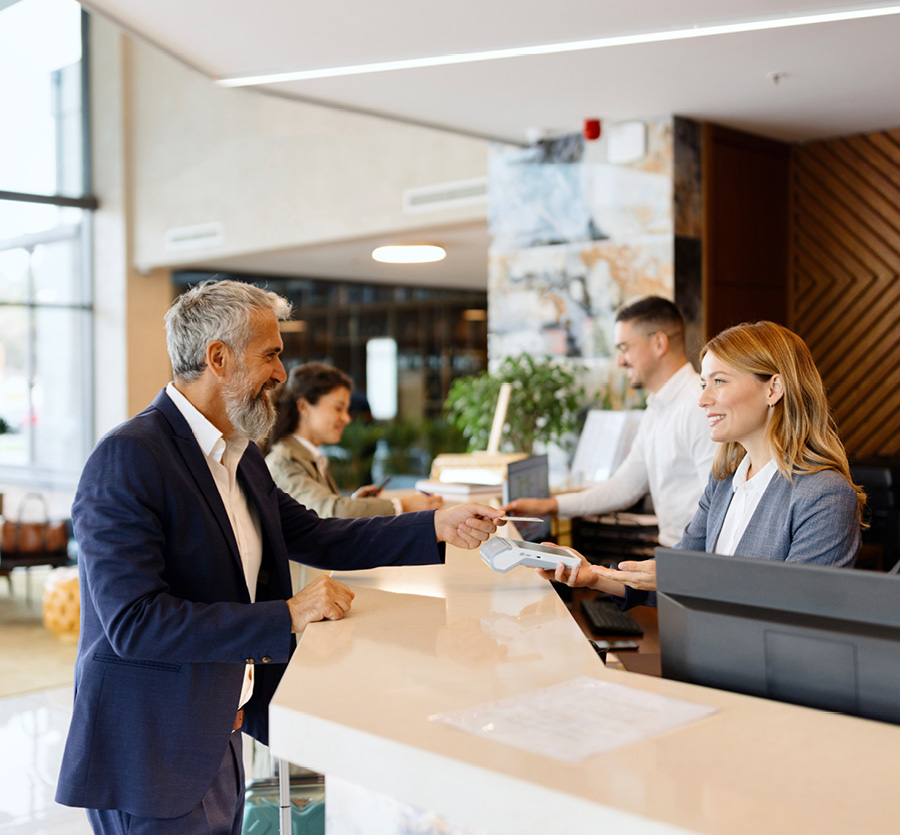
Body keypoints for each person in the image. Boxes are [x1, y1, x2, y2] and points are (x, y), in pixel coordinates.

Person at [55, 280, 501, 834]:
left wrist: (436, 524)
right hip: (153, 746)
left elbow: (319, 535)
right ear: (218, 358)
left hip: (218, 725)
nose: (282, 374)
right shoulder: (128, 457)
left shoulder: (238, 454)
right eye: (271, 354)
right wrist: (289, 614)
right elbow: (135, 622)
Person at [545, 320, 865, 608]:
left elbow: (799, 606)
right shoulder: (724, 481)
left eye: (720, 382)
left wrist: (683, 578)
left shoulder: (825, 494)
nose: (703, 399)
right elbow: (677, 575)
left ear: (773, 389)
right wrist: (593, 575)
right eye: (703, 384)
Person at [502, 297, 716, 548]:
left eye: (624, 347)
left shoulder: (697, 405)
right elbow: (625, 486)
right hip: (673, 556)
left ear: (659, 343)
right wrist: (552, 506)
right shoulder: (657, 407)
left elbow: (715, 506)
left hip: (691, 559)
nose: (619, 361)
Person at [264, 362, 442, 518]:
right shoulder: (284, 461)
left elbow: (318, 513)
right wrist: (403, 505)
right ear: (304, 407)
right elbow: (332, 512)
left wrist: (355, 504)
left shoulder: (307, 456)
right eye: (338, 408)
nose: (347, 419)